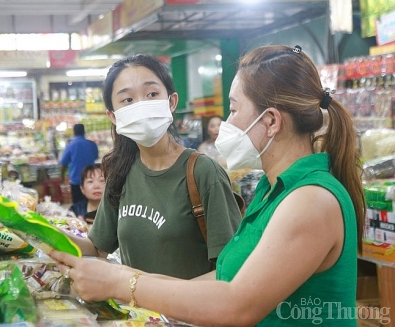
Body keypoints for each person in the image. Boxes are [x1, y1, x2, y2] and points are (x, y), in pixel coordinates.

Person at [51, 45, 366, 326]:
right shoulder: (274, 192)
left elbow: (237, 305)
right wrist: (127, 278)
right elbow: (224, 278)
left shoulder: (310, 201)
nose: (226, 124)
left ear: (270, 121)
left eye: (233, 109)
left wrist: (122, 285)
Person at [64, 54, 241, 280]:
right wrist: (38, 232)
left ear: (171, 102)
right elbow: (97, 248)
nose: (141, 106)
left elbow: (229, 272)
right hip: (137, 315)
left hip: (189, 314)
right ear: (113, 116)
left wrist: (149, 291)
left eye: (152, 94)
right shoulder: (120, 171)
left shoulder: (203, 172)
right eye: (127, 100)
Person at [60, 123, 99, 204]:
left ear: (74, 133)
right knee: (91, 203)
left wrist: (62, 177)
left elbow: (64, 163)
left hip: (76, 180)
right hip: (90, 179)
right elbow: (95, 157)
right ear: (84, 132)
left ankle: (80, 216)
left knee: (78, 205)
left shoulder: (70, 146)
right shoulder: (92, 144)